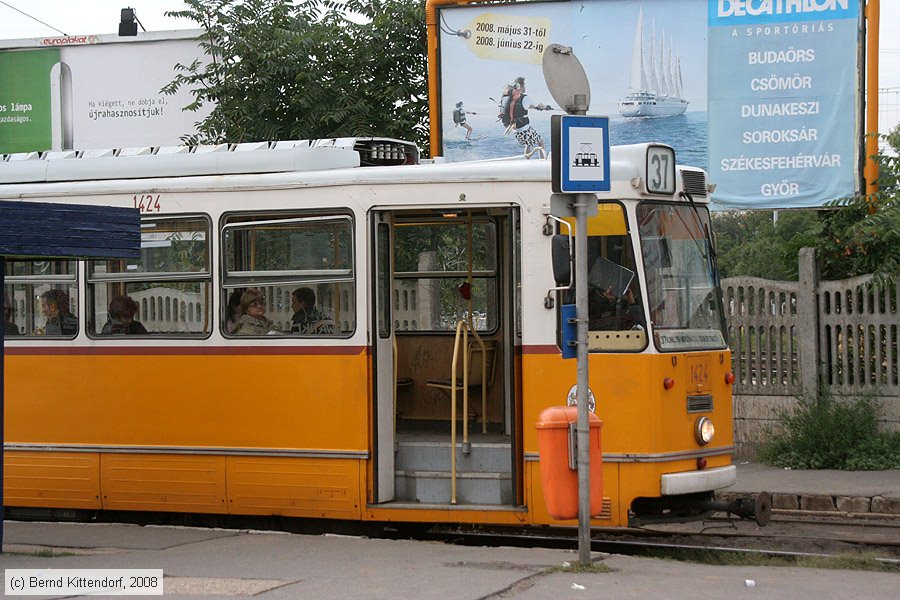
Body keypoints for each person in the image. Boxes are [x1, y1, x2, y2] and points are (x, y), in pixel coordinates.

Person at [499, 76, 551, 159]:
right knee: (541, 142)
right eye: (524, 85)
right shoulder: (525, 97)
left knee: (528, 144)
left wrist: (535, 108)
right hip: (524, 128)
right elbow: (539, 105)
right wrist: (547, 107)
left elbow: (524, 107)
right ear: (521, 87)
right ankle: (543, 161)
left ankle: (527, 161)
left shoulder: (513, 98)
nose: (525, 87)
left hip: (515, 129)